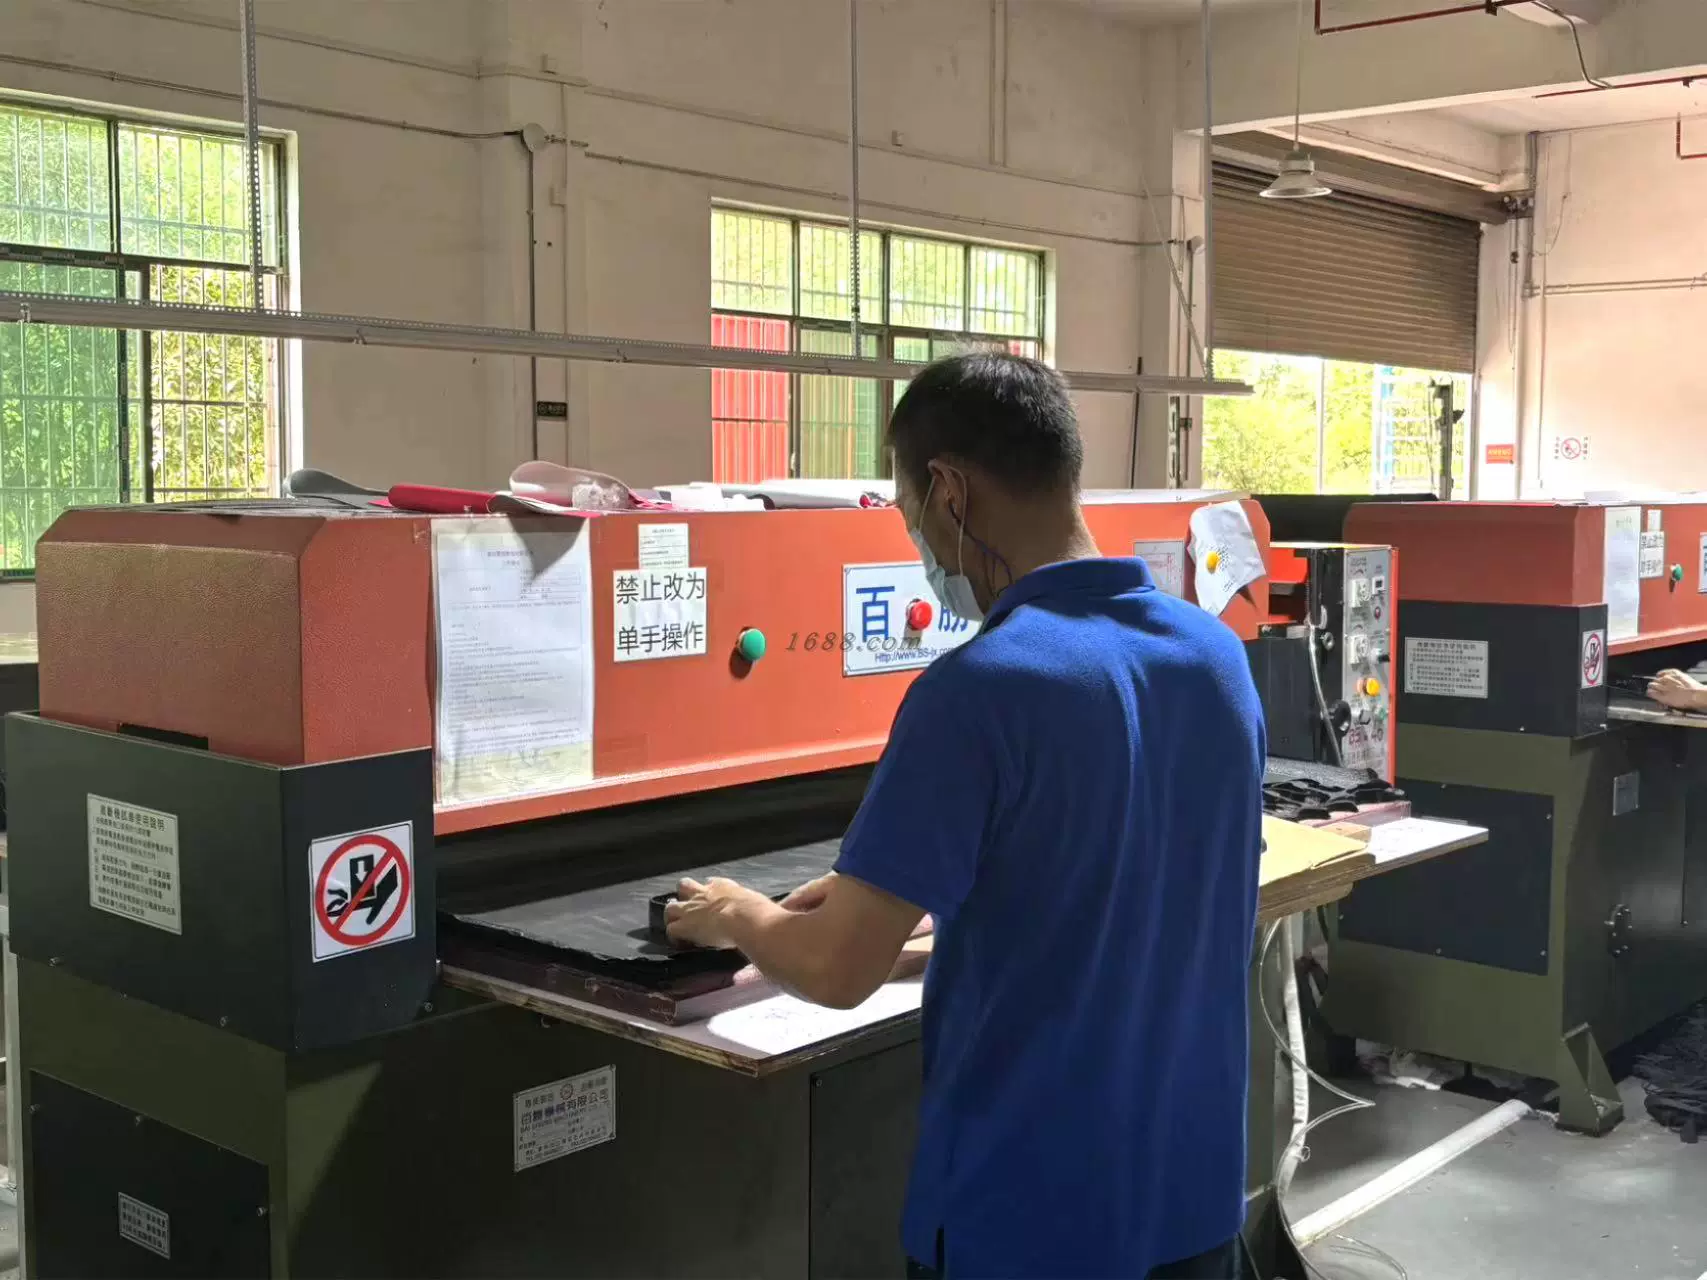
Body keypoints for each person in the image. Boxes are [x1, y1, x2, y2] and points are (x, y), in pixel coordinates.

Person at [666, 353, 1266, 1280]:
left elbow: (833, 970)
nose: (922, 544)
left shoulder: (978, 690)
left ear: (948, 489)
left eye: (910, 512)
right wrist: (915, 929)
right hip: (1187, 1201)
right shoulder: (1213, 655)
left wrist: (740, 914)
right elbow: (1109, 911)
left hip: (1025, 1217)